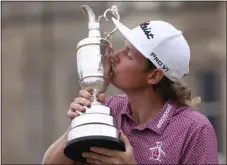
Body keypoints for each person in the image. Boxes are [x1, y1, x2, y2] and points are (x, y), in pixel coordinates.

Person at [42, 18, 219, 164]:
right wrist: (78, 124)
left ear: (154, 76)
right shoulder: (110, 107)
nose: (114, 56)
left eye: (128, 54)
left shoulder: (195, 129)